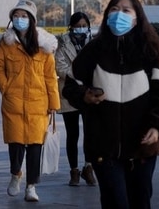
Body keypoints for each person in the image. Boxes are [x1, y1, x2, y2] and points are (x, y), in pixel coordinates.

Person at [62, 0, 159, 208]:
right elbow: (71, 86)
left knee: (140, 202)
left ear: (137, 18)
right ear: (106, 16)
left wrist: (158, 126)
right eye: (114, 9)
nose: (119, 15)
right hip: (103, 148)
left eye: (126, 10)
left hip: (142, 148)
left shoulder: (150, 52)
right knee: (115, 202)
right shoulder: (93, 51)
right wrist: (84, 95)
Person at [0, 0, 61, 202]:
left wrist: (54, 103)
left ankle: (31, 186)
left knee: (35, 147)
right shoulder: (6, 43)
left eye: (24, 16)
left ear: (31, 19)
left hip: (38, 104)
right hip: (13, 102)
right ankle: (16, 174)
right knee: (15, 144)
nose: (19, 19)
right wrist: (7, 88)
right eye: (16, 15)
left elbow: (50, 75)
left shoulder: (44, 46)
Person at [55, 12, 97, 186]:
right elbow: (59, 66)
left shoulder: (94, 42)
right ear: (71, 26)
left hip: (90, 93)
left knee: (90, 133)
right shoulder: (62, 42)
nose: (81, 28)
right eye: (77, 25)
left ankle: (89, 168)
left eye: (84, 25)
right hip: (70, 93)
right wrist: (79, 75)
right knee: (72, 134)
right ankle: (74, 170)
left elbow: (98, 64)